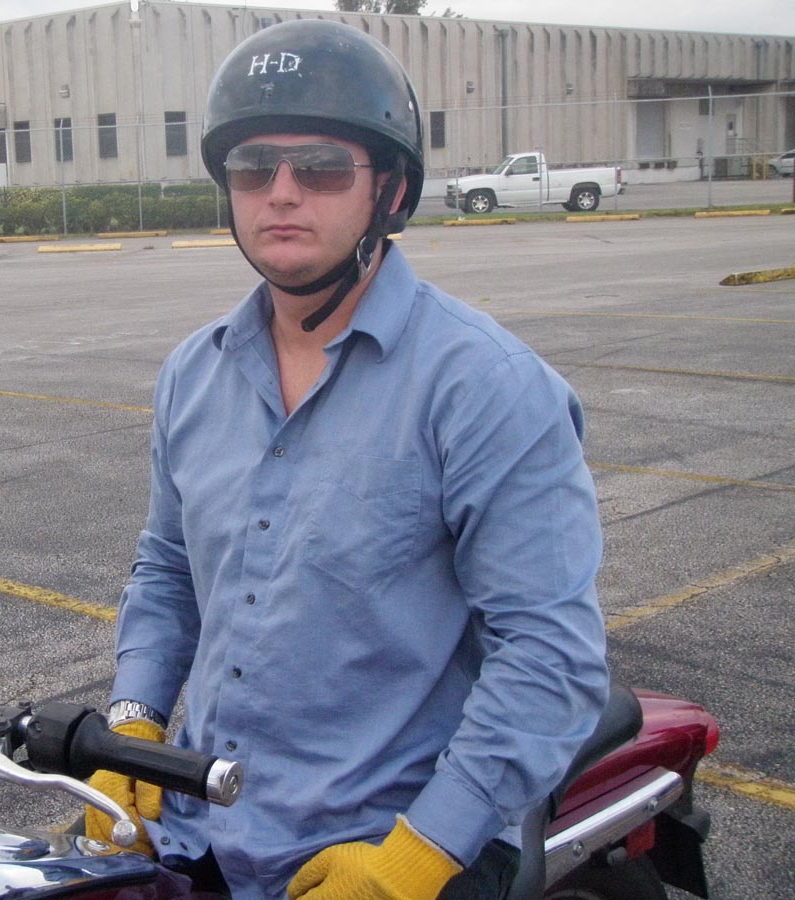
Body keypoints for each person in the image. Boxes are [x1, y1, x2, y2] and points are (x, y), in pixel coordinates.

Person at [85, 18, 609, 900]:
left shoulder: (485, 386)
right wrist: (132, 724)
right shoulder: (193, 374)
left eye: (323, 168)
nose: (282, 193)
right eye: (253, 168)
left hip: (398, 836)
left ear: (389, 189)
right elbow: (168, 568)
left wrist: (417, 857)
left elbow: (549, 654)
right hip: (201, 819)